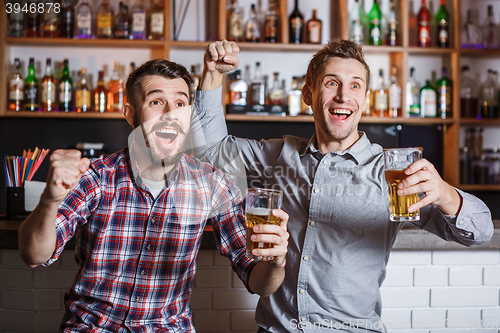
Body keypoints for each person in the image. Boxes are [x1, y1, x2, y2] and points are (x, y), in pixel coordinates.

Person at [191, 39, 494, 332]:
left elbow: (481, 232)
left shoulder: (391, 172)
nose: (343, 96)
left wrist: (445, 194)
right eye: (331, 83)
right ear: (308, 94)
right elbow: (212, 153)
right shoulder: (279, 155)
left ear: (365, 99)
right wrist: (213, 75)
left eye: (355, 86)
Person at [18, 58, 290, 332]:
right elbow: (34, 255)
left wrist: (276, 262)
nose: (171, 114)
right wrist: (50, 201)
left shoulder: (213, 184)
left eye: (181, 104)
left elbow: (258, 282)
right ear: (130, 114)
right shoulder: (96, 177)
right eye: (156, 102)